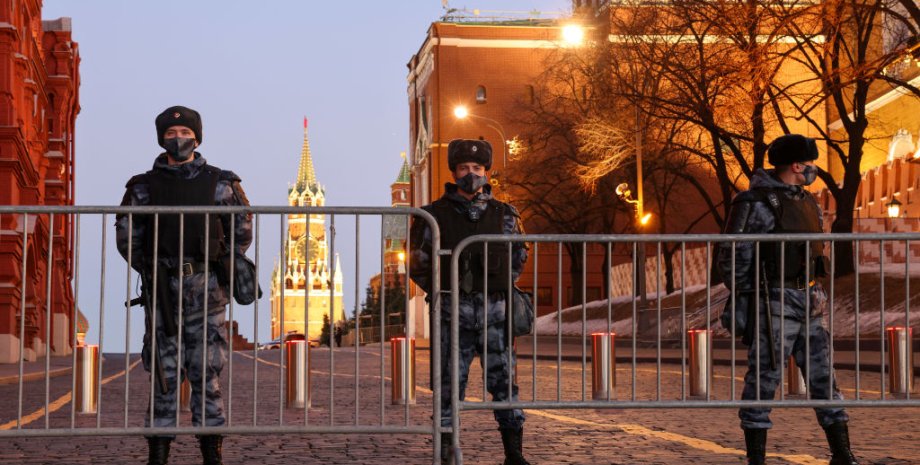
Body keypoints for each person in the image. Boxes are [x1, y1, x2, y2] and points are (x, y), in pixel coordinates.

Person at [116, 105, 253, 465]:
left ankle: (212, 452)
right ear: (161, 138)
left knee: (207, 374)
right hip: (163, 292)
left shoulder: (221, 183)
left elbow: (242, 231)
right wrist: (155, 269)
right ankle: (158, 453)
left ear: (197, 138)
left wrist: (217, 263)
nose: (179, 139)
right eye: (171, 134)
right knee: (164, 377)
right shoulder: (142, 187)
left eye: (185, 133)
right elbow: (128, 239)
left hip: (208, 293)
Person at [718, 134, 858, 465]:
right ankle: (756, 458)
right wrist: (752, 296)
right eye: (810, 163)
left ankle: (842, 454)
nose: (813, 169)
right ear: (796, 165)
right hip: (774, 304)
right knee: (764, 382)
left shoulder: (808, 201)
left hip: (810, 302)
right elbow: (733, 257)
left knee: (824, 380)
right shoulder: (753, 202)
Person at [409, 139, 530, 465]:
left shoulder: (505, 214)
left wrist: (494, 285)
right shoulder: (432, 216)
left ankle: (514, 454)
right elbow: (418, 264)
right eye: (464, 168)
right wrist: (446, 290)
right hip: (452, 314)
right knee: (448, 385)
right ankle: (447, 451)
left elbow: (518, 259)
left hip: (496, 314)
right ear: (454, 171)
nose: (471, 174)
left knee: (504, 385)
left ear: (486, 171)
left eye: (477, 168)